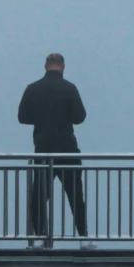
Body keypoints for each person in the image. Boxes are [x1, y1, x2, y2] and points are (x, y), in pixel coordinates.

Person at [18, 53, 90, 245]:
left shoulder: (33, 88)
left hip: (43, 149)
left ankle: (40, 236)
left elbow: (22, 117)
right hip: (67, 149)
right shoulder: (69, 88)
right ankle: (83, 237)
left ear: (45, 66)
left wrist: (41, 118)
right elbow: (79, 117)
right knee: (75, 195)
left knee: (39, 196)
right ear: (63, 67)